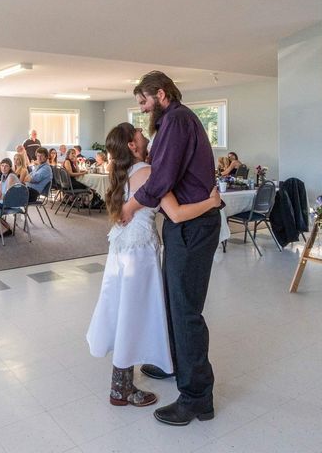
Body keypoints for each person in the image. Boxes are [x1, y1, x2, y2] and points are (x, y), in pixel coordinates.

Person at [86, 122, 221, 409]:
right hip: (139, 252)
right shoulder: (147, 173)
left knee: (123, 310)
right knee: (134, 313)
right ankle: (120, 389)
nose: (145, 135)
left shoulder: (126, 172)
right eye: (139, 133)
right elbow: (177, 213)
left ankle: (124, 380)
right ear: (133, 146)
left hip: (123, 246)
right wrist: (211, 202)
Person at [122, 71, 221, 426]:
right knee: (173, 300)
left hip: (193, 226)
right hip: (184, 224)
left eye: (144, 101)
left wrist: (130, 207)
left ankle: (197, 398)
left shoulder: (176, 120)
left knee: (185, 310)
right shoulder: (175, 122)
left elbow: (161, 177)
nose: (142, 108)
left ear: (160, 95)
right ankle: (175, 364)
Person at [0, 158, 20, 237]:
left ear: (10, 167)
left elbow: (7, 194)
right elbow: (0, 191)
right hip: (8, 201)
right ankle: (6, 226)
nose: (3, 168)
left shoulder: (11, 176)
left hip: (12, 203)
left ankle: (3, 228)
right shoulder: (4, 176)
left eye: (6, 166)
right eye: (2, 166)